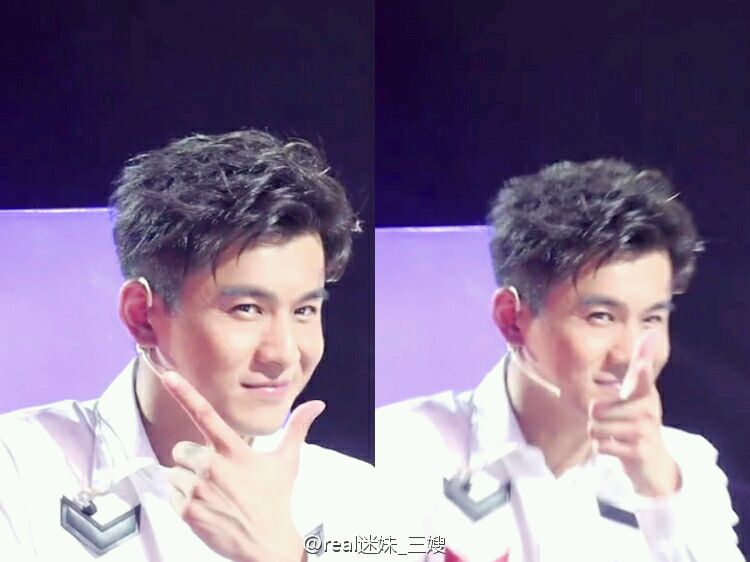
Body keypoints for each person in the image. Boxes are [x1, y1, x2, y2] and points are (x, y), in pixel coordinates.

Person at [0, 130, 373, 561]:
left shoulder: (358, 500)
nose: (284, 353)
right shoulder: (19, 469)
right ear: (142, 316)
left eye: (304, 310)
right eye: (247, 309)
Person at [376, 159, 744, 561]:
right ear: (511, 320)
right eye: (601, 317)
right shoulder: (405, 448)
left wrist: (661, 496)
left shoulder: (685, 465)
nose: (630, 355)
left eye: (652, 319)